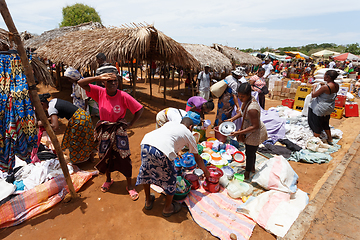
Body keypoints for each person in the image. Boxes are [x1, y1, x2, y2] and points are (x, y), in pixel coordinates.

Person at [78, 71, 144, 200]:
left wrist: (130, 124)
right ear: (104, 83)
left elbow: (139, 109)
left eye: (115, 81)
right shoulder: (100, 92)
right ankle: (108, 180)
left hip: (119, 130)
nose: (113, 83)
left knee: (124, 157)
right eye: (109, 81)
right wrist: (98, 77)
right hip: (104, 130)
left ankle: (129, 185)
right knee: (105, 156)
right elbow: (80, 83)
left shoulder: (123, 95)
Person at [136, 118, 210, 217]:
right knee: (171, 177)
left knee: (147, 172)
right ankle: (167, 208)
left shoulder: (171, 123)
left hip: (146, 144)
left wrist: (176, 151)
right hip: (161, 150)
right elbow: (197, 158)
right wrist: (205, 171)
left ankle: (148, 201)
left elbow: (166, 137)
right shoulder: (188, 133)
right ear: (190, 127)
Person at [38, 93, 97, 164]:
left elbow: (55, 126)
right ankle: (91, 157)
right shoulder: (54, 101)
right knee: (87, 137)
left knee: (74, 141)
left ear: (41, 104)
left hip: (78, 120)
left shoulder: (51, 108)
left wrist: (43, 124)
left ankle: (75, 162)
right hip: (84, 116)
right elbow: (54, 117)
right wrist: (45, 121)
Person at [227, 83, 268, 180]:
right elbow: (242, 112)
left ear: (249, 94)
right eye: (239, 96)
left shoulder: (252, 108)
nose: (240, 98)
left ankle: (247, 172)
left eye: (242, 96)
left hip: (254, 133)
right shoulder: (247, 100)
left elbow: (255, 126)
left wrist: (238, 133)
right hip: (249, 130)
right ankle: (252, 168)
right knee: (250, 152)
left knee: (250, 153)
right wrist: (232, 119)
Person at [308, 70, 339, 145]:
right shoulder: (336, 85)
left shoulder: (325, 87)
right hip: (329, 107)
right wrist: (323, 85)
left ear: (328, 77)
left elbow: (313, 95)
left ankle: (316, 140)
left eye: (325, 75)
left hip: (320, 108)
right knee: (325, 122)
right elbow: (328, 93)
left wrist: (314, 87)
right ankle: (330, 138)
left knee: (316, 124)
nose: (323, 77)